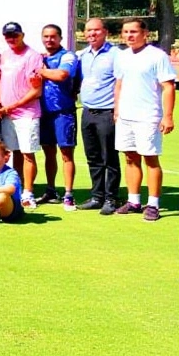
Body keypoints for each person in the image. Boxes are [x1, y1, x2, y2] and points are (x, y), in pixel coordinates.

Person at [111, 18, 175, 221]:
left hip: (148, 117)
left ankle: (153, 204)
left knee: (151, 159)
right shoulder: (121, 56)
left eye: (133, 32)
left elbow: (168, 87)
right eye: (126, 32)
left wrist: (168, 116)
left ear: (145, 33)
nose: (129, 36)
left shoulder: (157, 56)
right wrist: (117, 109)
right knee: (130, 158)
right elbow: (119, 85)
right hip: (125, 117)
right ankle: (134, 201)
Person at [0, 22, 44, 209]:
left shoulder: (33, 56)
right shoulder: (4, 56)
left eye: (14, 35)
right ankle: (17, 188)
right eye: (8, 36)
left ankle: (29, 193)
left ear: (22, 35)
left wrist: (11, 106)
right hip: (7, 115)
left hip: (26, 113)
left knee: (27, 154)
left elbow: (36, 91)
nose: (11, 39)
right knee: (14, 153)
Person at [75, 18, 120, 214]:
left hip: (107, 112)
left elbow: (121, 83)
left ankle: (111, 198)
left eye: (96, 30)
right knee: (92, 157)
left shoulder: (116, 54)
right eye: (88, 30)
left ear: (105, 32)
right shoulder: (83, 55)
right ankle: (97, 196)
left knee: (109, 157)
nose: (92, 34)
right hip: (87, 112)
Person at [36, 24, 79, 210]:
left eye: (53, 36)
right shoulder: (40, 57)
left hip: (64, 112)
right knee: (48, 153)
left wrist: (42, 71)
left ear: (60, 38)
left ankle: (69, 194)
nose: (49, 40)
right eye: (45, 36)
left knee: (66, 154)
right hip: (44, 112)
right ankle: (51, 190)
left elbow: (62, 74)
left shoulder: (68, 56)